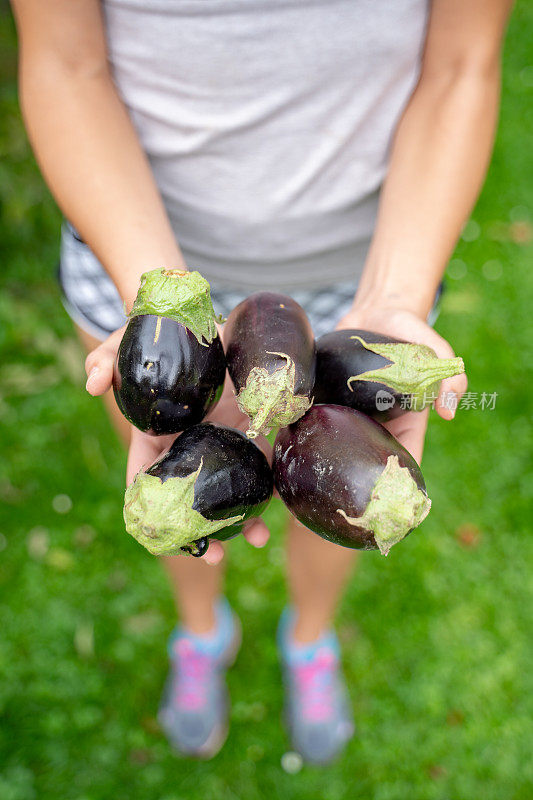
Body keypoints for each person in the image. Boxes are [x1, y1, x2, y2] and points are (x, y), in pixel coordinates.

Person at [12, 0, 511, 763]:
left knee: (338, 496)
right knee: (172, 469)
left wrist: (397, 300)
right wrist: (157, 297)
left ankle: (308, 640)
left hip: (363, 282)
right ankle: (201, 629)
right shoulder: (154, 304)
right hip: (142, 292)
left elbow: (461, 64)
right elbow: (64, 61)